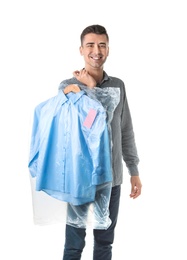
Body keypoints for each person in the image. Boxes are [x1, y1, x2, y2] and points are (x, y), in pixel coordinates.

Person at [59, 24, 142, 260]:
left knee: (105, 242)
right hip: (80, 178)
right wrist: (92, 90)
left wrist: (133, 170)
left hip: (112, 177)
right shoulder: (68, 88)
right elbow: (87, 126)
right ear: (81, 50)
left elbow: (124, 129)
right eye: (90, 45)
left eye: (102, 45)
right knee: (74, 243)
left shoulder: (118, 85)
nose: (97, 50)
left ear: (108, 50)